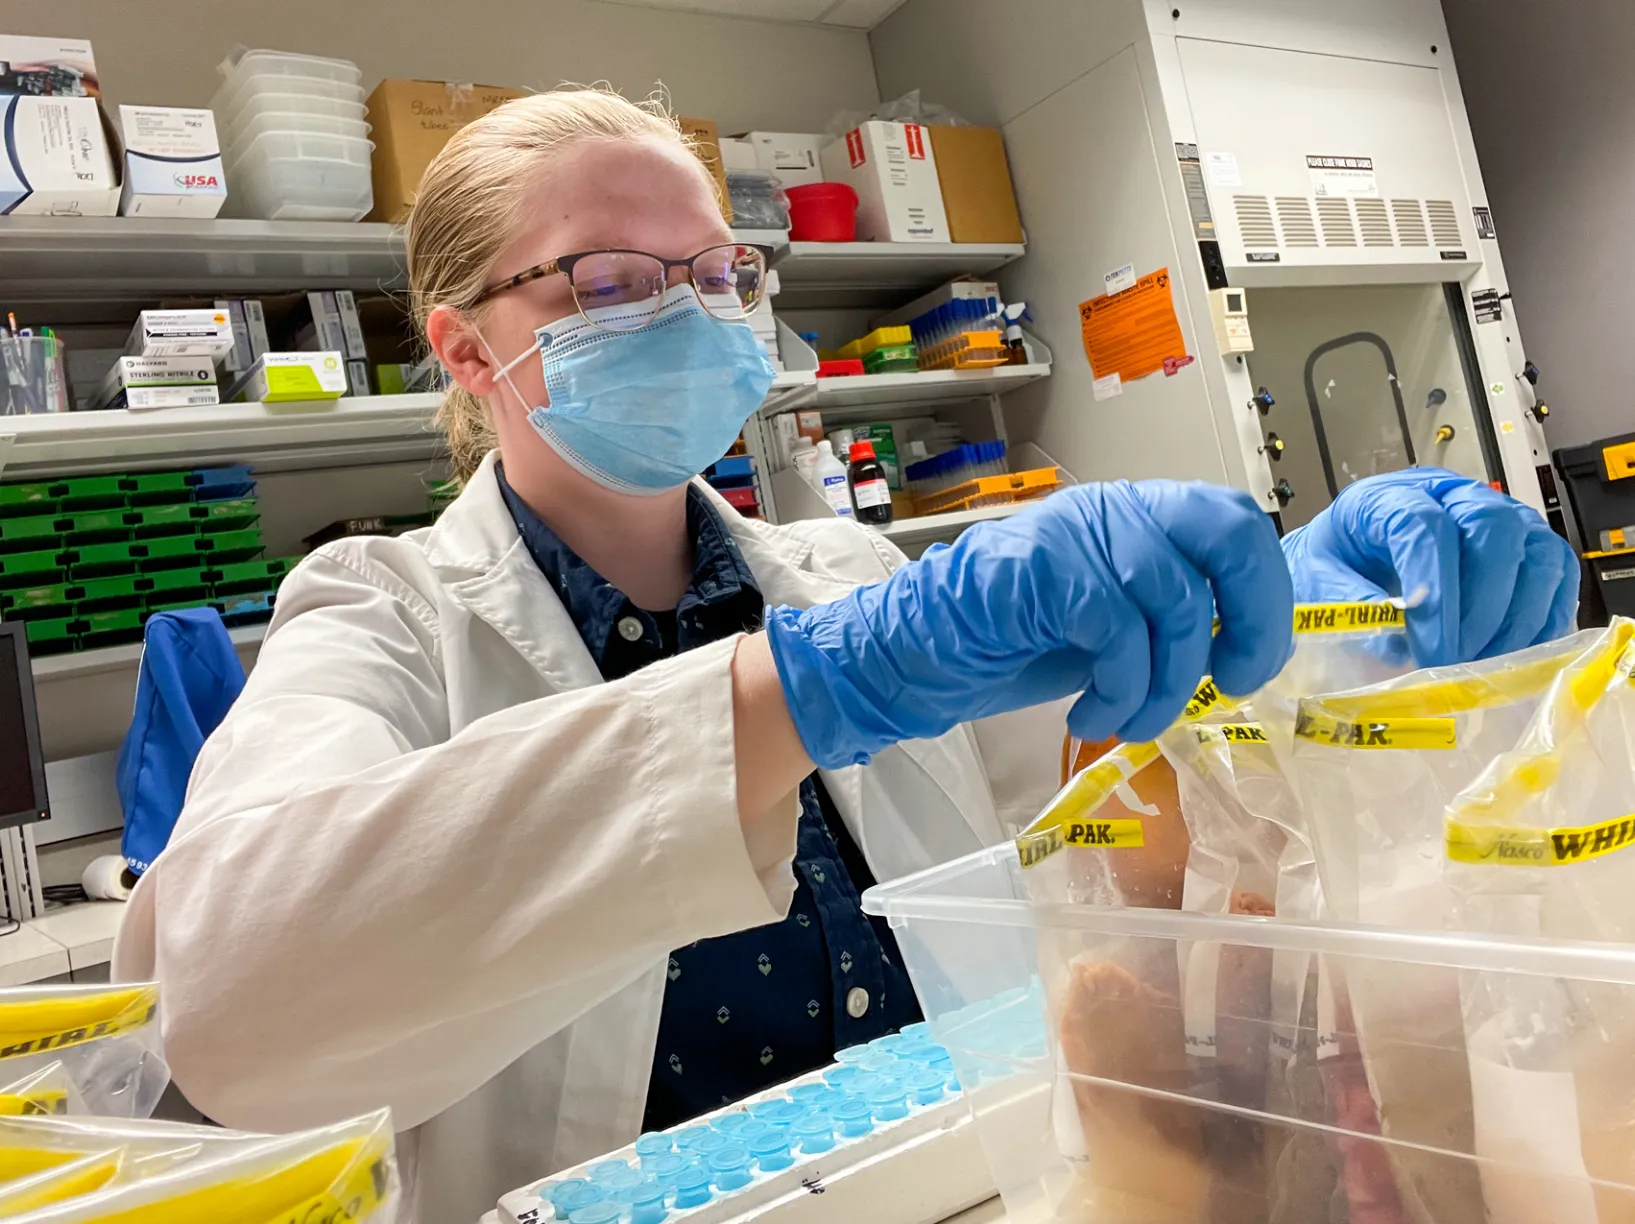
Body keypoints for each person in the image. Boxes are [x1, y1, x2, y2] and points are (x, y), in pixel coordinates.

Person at [111, 88, 1579, 1222]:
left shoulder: (842, 574)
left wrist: (1305, 627)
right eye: (612, 282)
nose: (688, 314)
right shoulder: (378, 613)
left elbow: (1119, 800)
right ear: (467, 348)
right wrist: (803, 690)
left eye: (715, 272)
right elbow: (234, 1010)